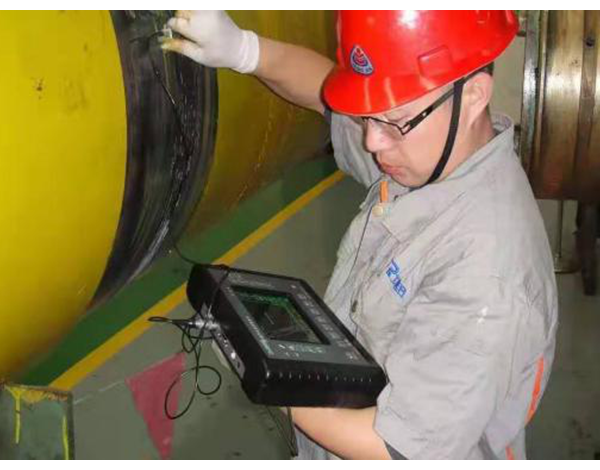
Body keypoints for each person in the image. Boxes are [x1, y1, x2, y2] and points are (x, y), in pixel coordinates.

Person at [162, 10, 558, 460]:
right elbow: (322, 92)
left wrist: (253, 357)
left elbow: (393, 448)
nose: (371, 142)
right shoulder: (429, 152)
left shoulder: (489, 274)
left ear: (473, 97)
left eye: (393, 121)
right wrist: (242, 50)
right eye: (366, 117)